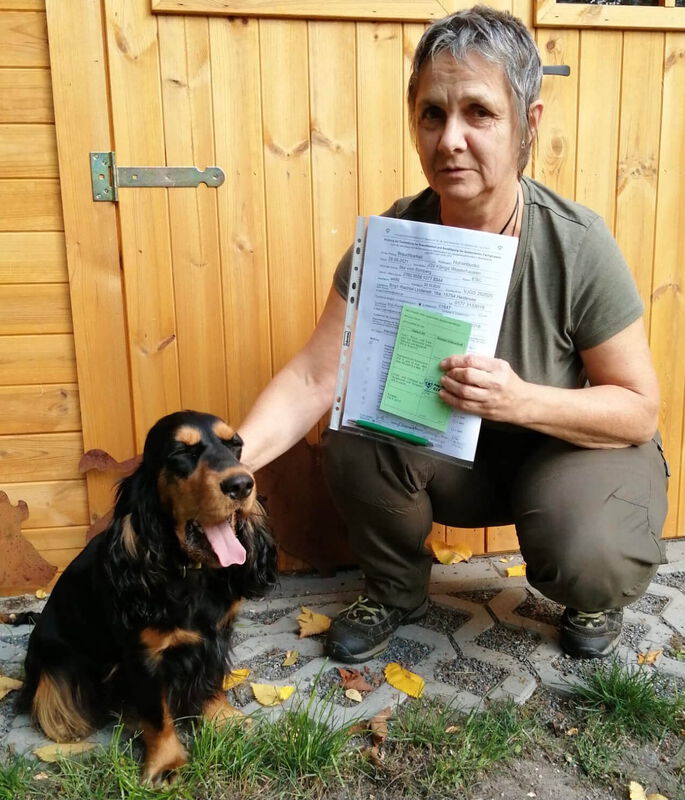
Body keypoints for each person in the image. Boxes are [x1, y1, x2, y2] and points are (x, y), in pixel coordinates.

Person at [238, 5, 669, 664]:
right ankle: (394, 590)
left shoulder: (576, 243)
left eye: (479, 113)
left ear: (528, 123)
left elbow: (637, 408)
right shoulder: (391, 242)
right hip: (451, 463)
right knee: (353, 430)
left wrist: (519, 400)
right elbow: (313, 376)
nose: (450, 140)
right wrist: (232, 463)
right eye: (432, 114)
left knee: (589, 549)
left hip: (563, 456)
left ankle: (593, 592)